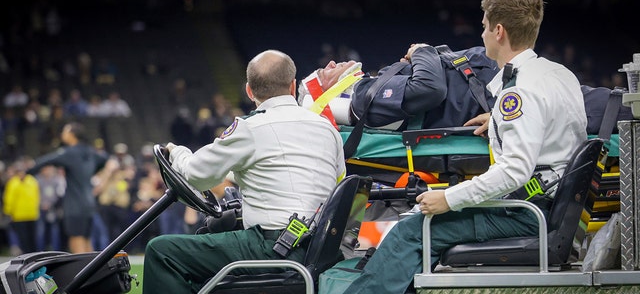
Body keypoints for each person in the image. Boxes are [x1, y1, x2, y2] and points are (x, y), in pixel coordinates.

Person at [344, 0, 588, 293]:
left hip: (527, 212)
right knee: (419, 226)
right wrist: (498, 115)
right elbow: (555, 122)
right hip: (548, 205)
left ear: (499, 31)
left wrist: (447, 199)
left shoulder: (520, 92)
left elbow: (515, 170)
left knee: (410, 231)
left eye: (485, 27)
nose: (482, 34)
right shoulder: (558, 74)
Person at [142, 49, 346, 294]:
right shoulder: (327, 128)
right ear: (293, 86)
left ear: (249, 91)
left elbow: (197, 175)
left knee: (161, 252)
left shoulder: (250, 127)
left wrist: (177, 153)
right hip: (320, 248)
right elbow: (337, 182)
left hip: (273, 247)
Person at [298, 43, 498, 131]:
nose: (331, 63)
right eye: (324, 73)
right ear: (327, 96)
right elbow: (430, 88)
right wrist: (422, 52)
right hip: (490, 84)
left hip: (486, 79)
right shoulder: (361, 100)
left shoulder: (367, 90)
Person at [27, 122, 108, 253]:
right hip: (89, 204)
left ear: (72, 135)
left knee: (76, 240)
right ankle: (94, 272)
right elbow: (106, 160)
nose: (62, 134)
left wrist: (28, 170)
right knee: (87, 240)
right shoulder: (90, 152)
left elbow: (47, 160)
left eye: (65, 131)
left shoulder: (69, 153)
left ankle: (83, 273)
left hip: (74, 205)